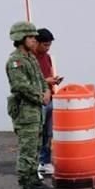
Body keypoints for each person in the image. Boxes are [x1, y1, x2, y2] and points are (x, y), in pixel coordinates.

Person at [6, 21, 57, 189]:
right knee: (27, 152)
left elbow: (41, 80)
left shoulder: (31, 58)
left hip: (36, 111)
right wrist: (40, 96)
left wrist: (47, 91)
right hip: (26, 113)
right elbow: (20, 86)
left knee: (36, 149)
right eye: (30, 37)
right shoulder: (15, 61)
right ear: (20, 39)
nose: (34, 40)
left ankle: (35, 183)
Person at [33, 27, 62, 176]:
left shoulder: (47, 57)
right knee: (36, 133)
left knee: (48, 134)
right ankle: (35, 164)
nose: (47, 48)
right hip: (37, 101)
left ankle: (45, 161)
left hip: (49, 98)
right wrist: (47, 82)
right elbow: (30, 81)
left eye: (49, 45)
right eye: (45, 45)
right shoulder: (30, 59)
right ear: (36, 42)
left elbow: (48, 74)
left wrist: (53, 82)